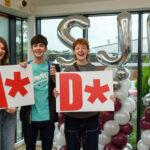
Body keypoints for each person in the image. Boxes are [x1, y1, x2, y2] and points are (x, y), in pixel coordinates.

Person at [54, 38, 116, 150]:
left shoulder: (96, 71)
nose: (80, 50)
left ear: (87, 51)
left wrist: (110, 97)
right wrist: (57, 94)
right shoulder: (67, 71)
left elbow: (104, 93)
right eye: (77, 48)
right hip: (71, 118)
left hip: (91, 118)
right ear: (74, 51)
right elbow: (63, 94)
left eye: (83, 48)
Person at [20, 34, 59, 150]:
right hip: (29, 117)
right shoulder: (24, 67)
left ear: (45, 49)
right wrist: (18, 68)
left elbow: (61, 91)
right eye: (35, 46)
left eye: (41, 46)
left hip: (48, 117)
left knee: (47, 147)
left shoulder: (53, 68)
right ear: (31, 49)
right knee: (30, 147)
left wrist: (55, 78)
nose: (38, 48)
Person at [0, 37, 17, 150]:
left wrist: (15, 106)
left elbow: (17, 92)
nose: (1, 50)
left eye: (3, 48)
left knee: (8, 147)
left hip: (9, 114)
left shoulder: (9, 69)